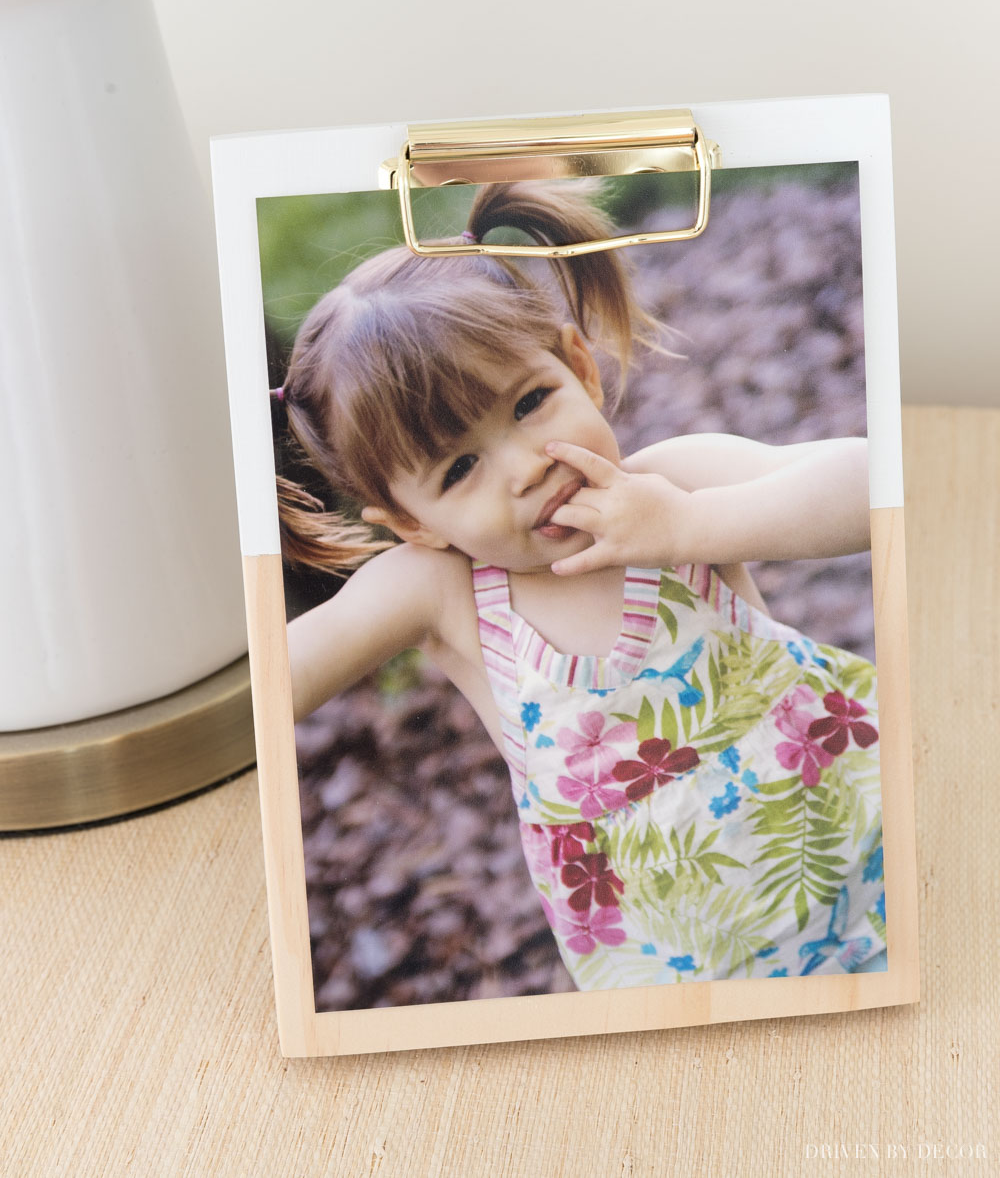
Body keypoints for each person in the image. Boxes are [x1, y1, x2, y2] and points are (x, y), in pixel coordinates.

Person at [277, 179, 886, 990]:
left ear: (577, 368)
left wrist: (689, 528)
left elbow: (876, 487)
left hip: (878, 859)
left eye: (532, 402)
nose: (528, 466)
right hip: (693, 979)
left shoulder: (672, 482)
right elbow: (267, 682)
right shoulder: (443, 595)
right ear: (411, 521)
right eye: (460, 467)